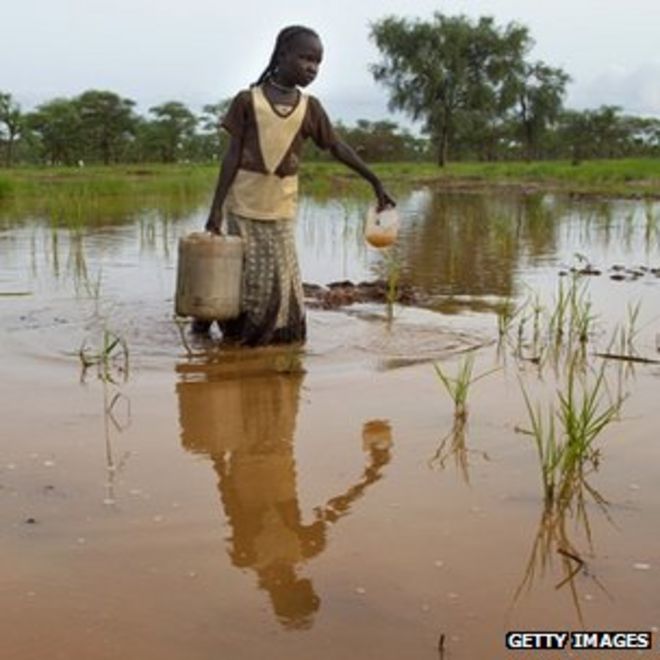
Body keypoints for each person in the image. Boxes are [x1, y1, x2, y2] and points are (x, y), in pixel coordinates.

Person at [196, 25, 395, 346]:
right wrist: (215, 208)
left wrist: (375, 181)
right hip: (244, 205)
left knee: (281, 279)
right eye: (305, 58)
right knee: (244, 275)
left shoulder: (309, 108)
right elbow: (231, 156)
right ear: (282, 56)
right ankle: (227, 334)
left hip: (281, 208)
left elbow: (337, 147)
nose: (312, 68)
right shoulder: (249, 100)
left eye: (318, 62)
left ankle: (272, 343)